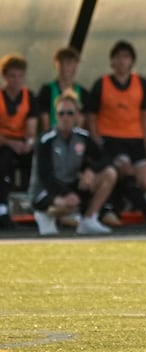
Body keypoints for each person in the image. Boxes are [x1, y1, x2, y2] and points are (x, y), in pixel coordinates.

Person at [84, 40, 146, 226]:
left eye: (126, 57)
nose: (122, 61)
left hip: (135, 139)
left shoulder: (141, 83)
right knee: (124, 169)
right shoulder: (101, 84)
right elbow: (92, 116)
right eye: (118, 57)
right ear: (112, 62)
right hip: (111, 139)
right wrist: (96, 139)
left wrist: (145, 143)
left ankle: (117, 207)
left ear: (132, 61)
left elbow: (145, 115)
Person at [29, 92, 117, 235]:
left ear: (77, 115)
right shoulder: (46, 140)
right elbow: (44, 175)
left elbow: (105, 158)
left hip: (70, 184)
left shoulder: (82, 137)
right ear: (56, 116)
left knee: (110, 173)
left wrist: (91, 170)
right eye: (61, 113)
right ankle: (44, 214)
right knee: (69, 202)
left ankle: (89, 219)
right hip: (46, 189)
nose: (65, 117)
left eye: (70, 113)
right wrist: (66, 193)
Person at [0, 53, 38, 229]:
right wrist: (10, 143)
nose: (16, 80)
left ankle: (37, 206)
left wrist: (28, 143)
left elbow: (31, 128)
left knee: (37, 161)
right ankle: (2, 209)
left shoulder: (29, 97)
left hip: (21, 144)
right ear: (5, 77)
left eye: (20, 76)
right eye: (12, 76)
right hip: (3, 144)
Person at [37, 46, 89, 131]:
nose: (65, 67)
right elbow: (44, 121)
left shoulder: (83, 93)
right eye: (61, 63)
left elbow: (82, 122)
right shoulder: (47, 90)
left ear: (76, 65)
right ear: (56, 65)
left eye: (69, 63)